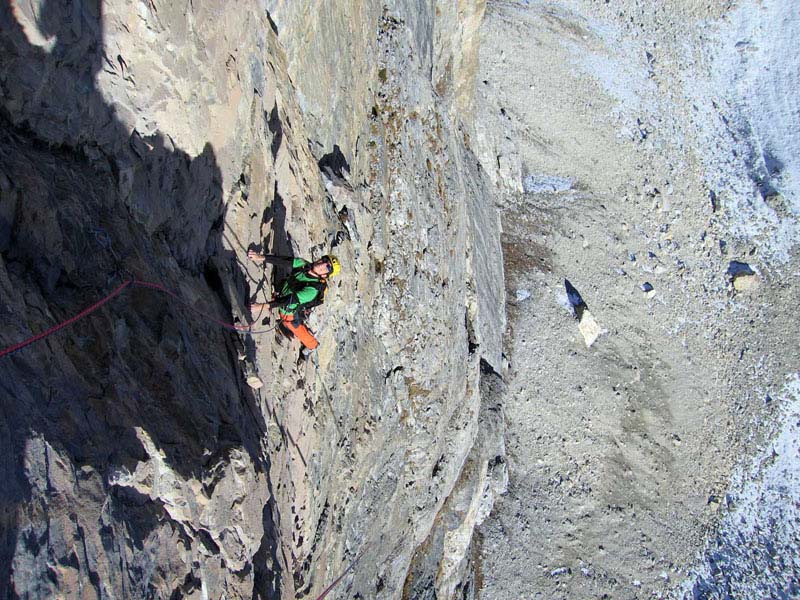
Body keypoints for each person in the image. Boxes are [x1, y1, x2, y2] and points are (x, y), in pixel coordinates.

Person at [248, 250, 340, 352]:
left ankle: (312, 345)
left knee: (293, 324)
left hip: (288, 309)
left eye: (328, 267)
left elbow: (289, 301)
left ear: (325, 275)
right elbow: (284, 261)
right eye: (324, 260)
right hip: (284, 292)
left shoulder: (312, 290)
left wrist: (262, 306)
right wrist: (260, 257)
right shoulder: (304, 265)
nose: (322, 264)